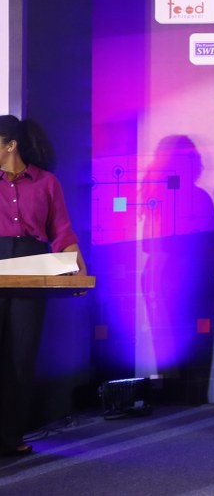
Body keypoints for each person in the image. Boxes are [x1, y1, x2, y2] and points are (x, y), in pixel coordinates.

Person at [0, 116, 86, 457]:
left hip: (32, 269)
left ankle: (10, 437)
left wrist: (79, 270)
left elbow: (62, 232)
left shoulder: (46, 182)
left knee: (20, 357)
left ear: (11, 145)